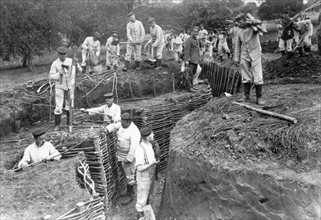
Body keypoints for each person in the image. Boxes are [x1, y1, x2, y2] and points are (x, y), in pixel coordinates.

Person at [105, 112, 141, 205]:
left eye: (123, 121)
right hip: (120, 155)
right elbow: (114, 126)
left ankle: (131, 194)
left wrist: (129, 159)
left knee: (130, 176)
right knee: (125, 174)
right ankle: (128, 191)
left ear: (128, 121)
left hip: (128, 158)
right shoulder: (122, 125)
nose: (121, 123)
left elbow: (134, 147)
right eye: (121, 121)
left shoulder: (134, 131)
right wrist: (106, 129)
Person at [234, 13, 266, 105]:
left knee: (258, 75)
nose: (239, 24)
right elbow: (237, 46)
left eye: (240, 22)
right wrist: (236, 58)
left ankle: (259, 97)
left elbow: (262, 28)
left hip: (255, 53)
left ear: (245, 20)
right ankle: (246, 96)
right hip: (244, 55)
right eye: (237, 22)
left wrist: (255, 22)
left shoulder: (253, 27)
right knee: (245, 76)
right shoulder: (239, 31)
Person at [49, 46, 77, 131]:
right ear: (58, 54)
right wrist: (59, 74)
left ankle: (69, 122)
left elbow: (76, 72)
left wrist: (76, 64)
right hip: (60, 86)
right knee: (59, 104)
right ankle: (57, 124)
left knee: (69, 104)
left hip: (69, 85)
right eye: (61, 55)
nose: (63, 56)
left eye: (64, 54)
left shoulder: (70, 61)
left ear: (66, 54)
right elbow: (51, 76)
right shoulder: (55, 63)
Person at [135, 126, 159, 220]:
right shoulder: (140, 150)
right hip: (143, 178)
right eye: (152, 133)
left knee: (147, 196)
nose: (153, 134)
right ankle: (140, 217)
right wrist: (152, 163)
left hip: (149, 176)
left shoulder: (148, 145)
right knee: (141, 200)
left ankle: (146, 215)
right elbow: (139, 168)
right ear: (147, 137)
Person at [184, 26, 201, 92]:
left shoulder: (196, 40)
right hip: (190, 60)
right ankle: (189, 88)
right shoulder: (189, 40)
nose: (196, 33)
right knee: (189, 74)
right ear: (191, 32)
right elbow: (186, 50)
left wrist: (199, 58)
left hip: (195, 60)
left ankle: (192, 86)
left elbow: (197, 50)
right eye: (194, 32)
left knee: (193, 74)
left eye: (197, 32)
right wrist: (186, 60)